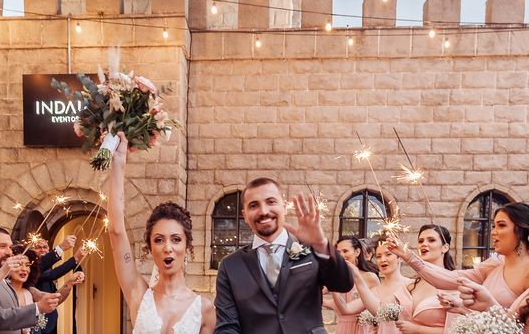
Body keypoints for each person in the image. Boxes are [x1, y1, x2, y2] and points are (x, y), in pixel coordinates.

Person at [214, 177, 354, 334]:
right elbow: (227, 326)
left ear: (284, 206)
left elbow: (343, 284)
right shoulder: (230, 265)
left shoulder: (312, 250)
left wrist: (320, 243)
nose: (264, 211)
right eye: (254, 205)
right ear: (245, 215)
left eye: (271, 202)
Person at [108, 132, 216, 334]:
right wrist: (119, 163)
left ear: (187, 247)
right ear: (149, 248)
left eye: (176, 239)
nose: (168, 248)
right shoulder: (138, 293)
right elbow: (115, 231)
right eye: (159, 240)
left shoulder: (205, 310)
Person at [387, 202, 529, 311]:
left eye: (501, 225)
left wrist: (488, 306)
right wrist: (406, 255)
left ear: (521, 229)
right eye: (493, 226)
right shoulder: (493, 265)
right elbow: (448, 279)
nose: (493, 232)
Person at [339, 238, 411, 334]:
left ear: (400, 257)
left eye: (388, 254)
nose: (383, 260)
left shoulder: (411, 285)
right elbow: (346, 309)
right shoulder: (373, 292)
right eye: (378, 256)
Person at [7, 246, 84, 334]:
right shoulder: (2, 289)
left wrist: (69, 283)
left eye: (27, 265)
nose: (24, 269)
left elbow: (53, 300)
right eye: (19, 264)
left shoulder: (30, 291)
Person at [324, 236, 380, 334]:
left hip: (362, 329)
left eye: (345, 251)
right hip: (342, 328)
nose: (341, 256)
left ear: (357, 252)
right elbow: (317, 294)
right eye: (338, 252)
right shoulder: (336, 277)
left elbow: (376, 307)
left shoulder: (370, 277)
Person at [32, 238, 86, 334]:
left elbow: (56, 298)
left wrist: (69, 283)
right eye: (38, 247)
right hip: (36, 326)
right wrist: (75, 258)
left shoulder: (46, 270)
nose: (42, 250)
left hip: (51, 325)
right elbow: (53, 273)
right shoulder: (32, 270)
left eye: (45, 247)